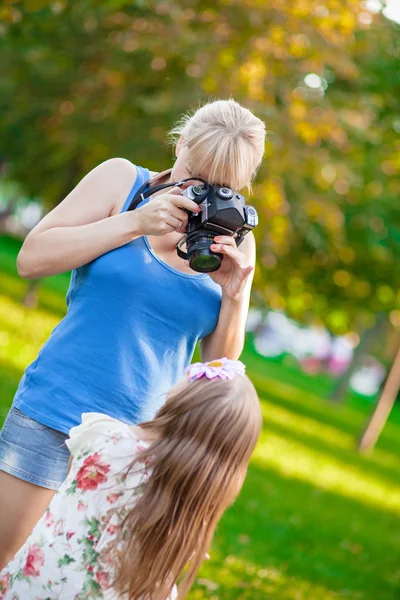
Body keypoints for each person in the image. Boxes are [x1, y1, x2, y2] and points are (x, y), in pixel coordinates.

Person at [0, 99, 266, 566]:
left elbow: (217, 370)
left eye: (219, 186)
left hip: (135, 447)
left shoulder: (236, 234)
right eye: (194, 175)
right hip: (53, 412)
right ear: (179, 142)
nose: (200, 194)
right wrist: (133, 223)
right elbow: (31, 258)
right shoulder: (123, 181)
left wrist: (236, 293)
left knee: (73, 583)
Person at [0, 358, 262, 600]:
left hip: (38, 581)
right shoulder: (193, 502)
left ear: (182, 400)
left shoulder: (105, 436)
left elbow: (74, 474)